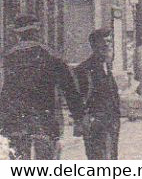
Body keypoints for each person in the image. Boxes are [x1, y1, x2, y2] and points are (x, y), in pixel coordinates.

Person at [0, 15, 83, 159]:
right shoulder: (51, 56)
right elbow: (70, 89)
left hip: (15, 124)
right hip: (45, 123)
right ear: (37, 32)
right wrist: (79, 118)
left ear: (18, 34)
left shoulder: (6, 57)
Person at [74, 28, 122, 160]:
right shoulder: (84, 70)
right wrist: (83, 120)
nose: (107, 45)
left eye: (109, 41)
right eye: (103, 42)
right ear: (94, 45)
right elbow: (78, 100)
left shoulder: (106, 66)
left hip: (111, 123)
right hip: (96, 124)